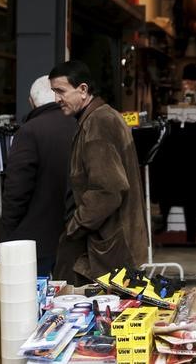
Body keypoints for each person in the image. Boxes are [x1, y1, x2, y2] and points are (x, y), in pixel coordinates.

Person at [49, 60, 147, 284]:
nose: (56, 99)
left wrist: (75, 226)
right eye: (54, 92)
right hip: (108, 244)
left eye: (61, 91)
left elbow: (108, 189)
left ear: (83, 90)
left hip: (105, 249)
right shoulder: (98, 117)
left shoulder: (99, 121)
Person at [0, 75, 77, 276]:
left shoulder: (29, 131)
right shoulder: (79, 125)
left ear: (32, 101)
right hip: (74, 235)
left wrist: (8, 232)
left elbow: (16, 189)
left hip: (35, 240)